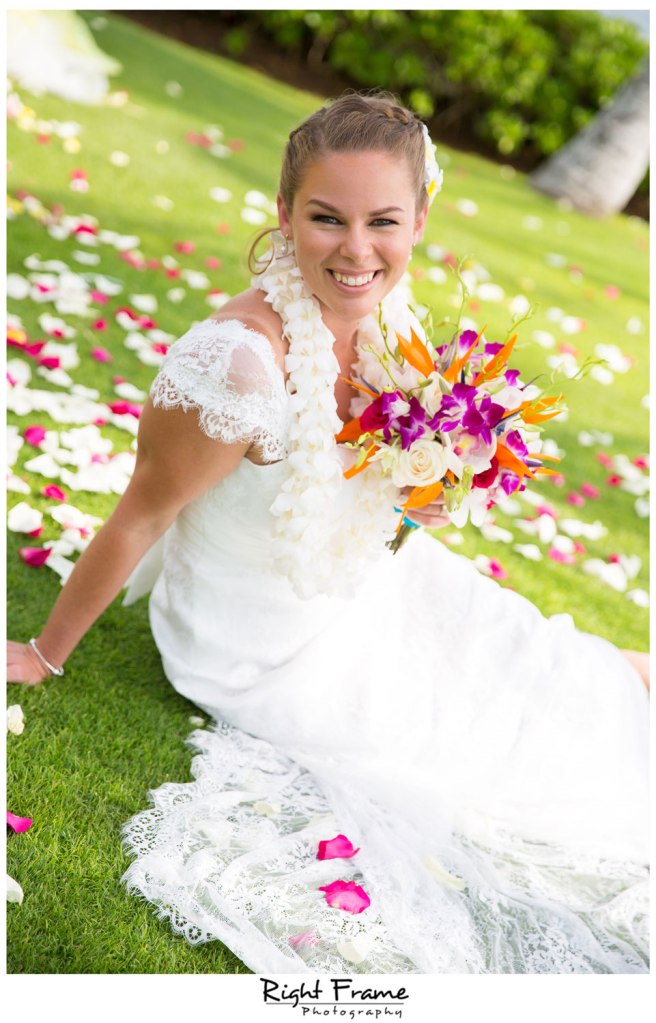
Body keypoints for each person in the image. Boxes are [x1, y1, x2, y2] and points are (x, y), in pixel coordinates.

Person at [7, 92, 649, 974]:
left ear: (419, 219)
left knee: (566, 668)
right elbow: (141, 513)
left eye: (383, 220)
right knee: (521, 758)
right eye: (325, 218)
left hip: (366, 588)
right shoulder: (237, 365)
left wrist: (430, 479)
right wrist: (44, 653)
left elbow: (386, 497)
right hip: (263, 645)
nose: (356, 249)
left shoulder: (392, 323)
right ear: (284, 216)